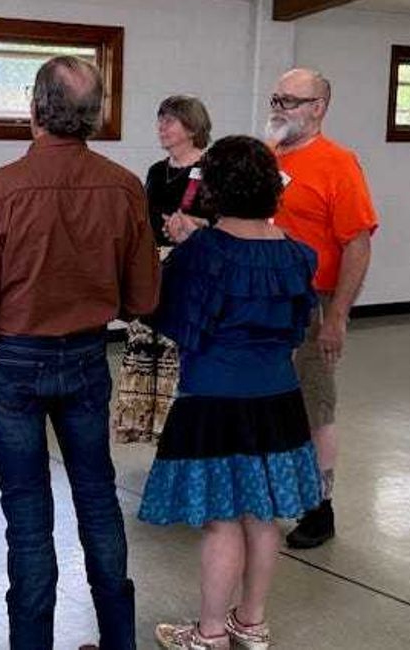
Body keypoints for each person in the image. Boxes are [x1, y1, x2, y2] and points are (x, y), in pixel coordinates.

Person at [0, 56, 160, 650]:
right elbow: (142, 297)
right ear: (96, 117)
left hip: (12, 367)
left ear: (34, 111)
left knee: (27, 515)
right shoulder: (124, 186)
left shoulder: (2, 189)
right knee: (98, 498)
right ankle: (117, 642)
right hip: (86, 360)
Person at [140, 135, 322, 650]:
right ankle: (252, 622)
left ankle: (210, 633)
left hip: (214, 399)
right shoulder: (296, 255)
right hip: (278, 397)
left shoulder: (203, 253)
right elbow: (297, 325)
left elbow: (169, 317)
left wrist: (181, 244)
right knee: (263, 516)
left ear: (213, 190)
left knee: (222, 522)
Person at [267, 68, 379, 549]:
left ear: (318, 108)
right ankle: (270, 491)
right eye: (276, 98)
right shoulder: (267, 157)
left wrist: (337, 317)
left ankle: (319, 507)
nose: (280, 107)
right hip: (264, 302)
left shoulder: (338, 163)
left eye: (291, 100)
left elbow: (357, 244)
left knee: (315, 405)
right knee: (268, 404)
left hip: (312, 303)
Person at [113, 95, 212, 444]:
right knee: (146, 352)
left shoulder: (212, 170)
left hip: (192, 272)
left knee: (177, 355)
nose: (161, 127)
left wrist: (196, 225)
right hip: (154, 270)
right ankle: (152, 433)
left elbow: (227, 225)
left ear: (192, 126)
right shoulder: (157, 171)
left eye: (169, 121)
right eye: (160, 120)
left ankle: (182, 437)